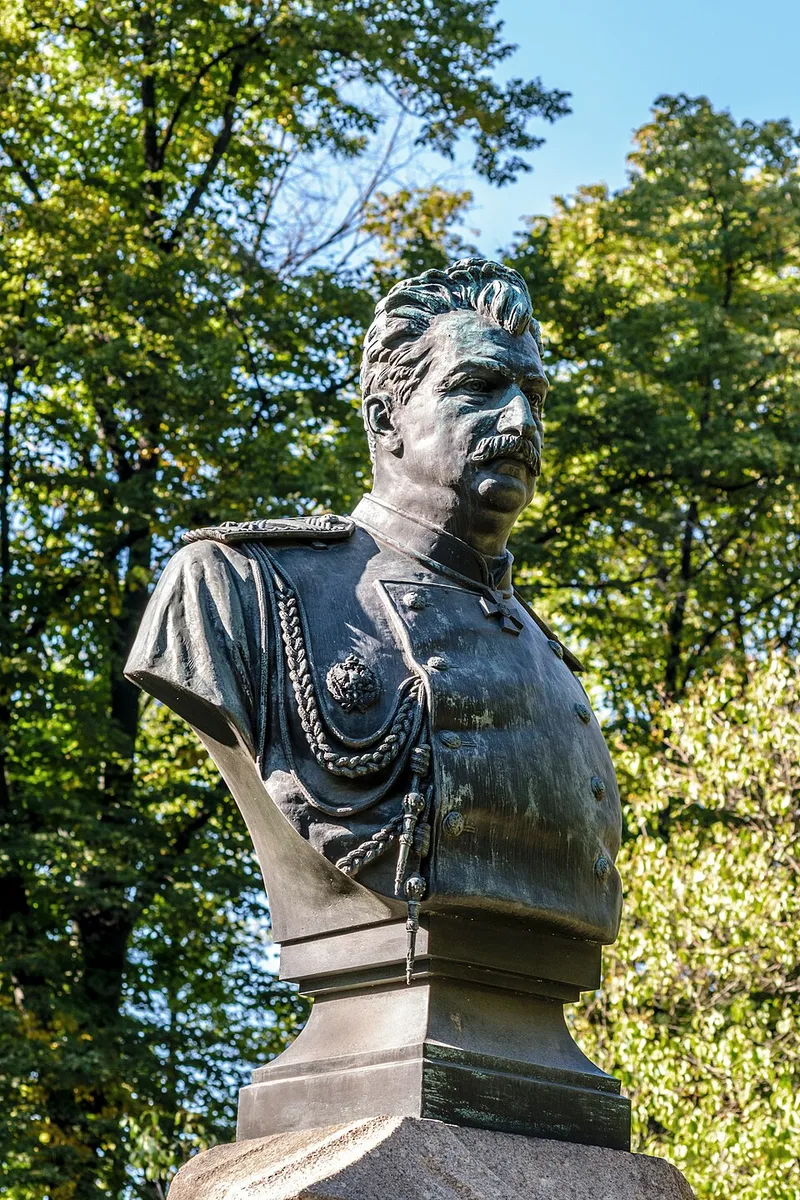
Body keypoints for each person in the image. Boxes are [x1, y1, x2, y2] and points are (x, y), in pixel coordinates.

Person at [126, 258, 622, 954]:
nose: (520, 418)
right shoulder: (239, 587)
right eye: (479, 386)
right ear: (385, 416)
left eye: (533, 396)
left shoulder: (548, 659)